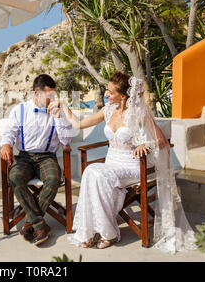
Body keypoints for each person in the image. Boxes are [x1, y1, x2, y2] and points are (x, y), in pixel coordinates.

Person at [48, 71, 196, 253]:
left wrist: (146, 146)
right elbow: (78, 124)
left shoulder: (139, 114)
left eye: (111, 92)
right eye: (107, 92)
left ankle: (107, 233)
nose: (107, 95)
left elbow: (161, 140)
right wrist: (63, 104)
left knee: (97, 174)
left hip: (132, 167)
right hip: (112, 163)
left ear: (124, 96)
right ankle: (90, 231)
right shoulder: (108, 110)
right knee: (91, 172)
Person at [0, 74, 73, 246]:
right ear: (37, 93)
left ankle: (29, 222)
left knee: (54, 178)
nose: (52, 99)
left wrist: (59, 117)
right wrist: (6, 144)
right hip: (24, 157)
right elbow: (9, 131)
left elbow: (66, 141)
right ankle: (40, 224)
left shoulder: (58, 112)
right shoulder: (20, 110)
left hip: (47, 157)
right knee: (15, 177)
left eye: (54, 95)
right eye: (49, 95)